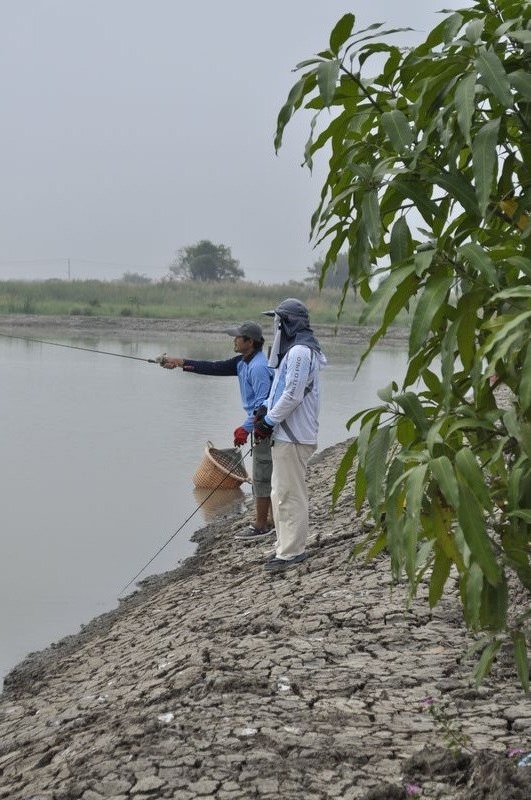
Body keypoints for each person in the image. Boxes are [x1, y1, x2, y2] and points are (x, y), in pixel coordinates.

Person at [159, 321, 274, 540]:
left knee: (262, 475)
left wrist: (246, 427)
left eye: (238, 337)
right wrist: (179, 362)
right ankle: (268, 518)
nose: (234, 340)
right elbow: (213, 367)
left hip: (263, 426)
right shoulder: (243, 362)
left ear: (250, 342)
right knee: (263, 473)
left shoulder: (259, 367)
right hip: (258, 424)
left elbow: (264, 403)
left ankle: (262, 524)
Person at [254, 298, 326, 573]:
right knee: (280, 493)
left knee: (290, 495)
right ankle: (284, 548)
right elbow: (281, 388)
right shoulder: (295, 352)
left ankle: (292, 552)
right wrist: (265, 409)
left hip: (293, 436)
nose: (276, 326)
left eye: (278, 320)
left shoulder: (299, 352)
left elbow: (293, 393)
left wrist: (269, 421)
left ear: (288, 322)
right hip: (286, 435)